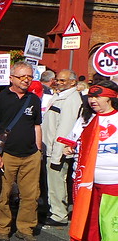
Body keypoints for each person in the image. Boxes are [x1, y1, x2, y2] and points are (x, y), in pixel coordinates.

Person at [66, 80, 118, 241]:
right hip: (87, 178)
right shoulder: (84, 119)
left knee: (112, 218)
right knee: (88, 214)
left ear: (111, 97)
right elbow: (72, 139)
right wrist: (68, 146)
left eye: (97, 96)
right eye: (90, 96)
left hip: (113, 178)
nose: (92, 100)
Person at [0, 61, 43, 241]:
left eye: (29, 76)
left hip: (30, 155)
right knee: (4, 194)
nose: (27, 80)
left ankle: (25, 229)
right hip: (7, 155)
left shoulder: (34, 100)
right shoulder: (0, 98)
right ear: (11, 78)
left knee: (31, 194)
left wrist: (38, 151)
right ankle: (3, 229)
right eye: (22, 76)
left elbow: (37, 126)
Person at [42, 69, 82, 226]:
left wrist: (57, 155)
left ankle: (59, 215)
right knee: (52, 182)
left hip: (56, 150)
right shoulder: (61, 95)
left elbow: (65, 129)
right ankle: (54, 209)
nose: (58, 83)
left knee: (57, 182)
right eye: (57, 80)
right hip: (50, 148)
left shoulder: (71, 100)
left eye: (62, 81)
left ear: (73, 82)